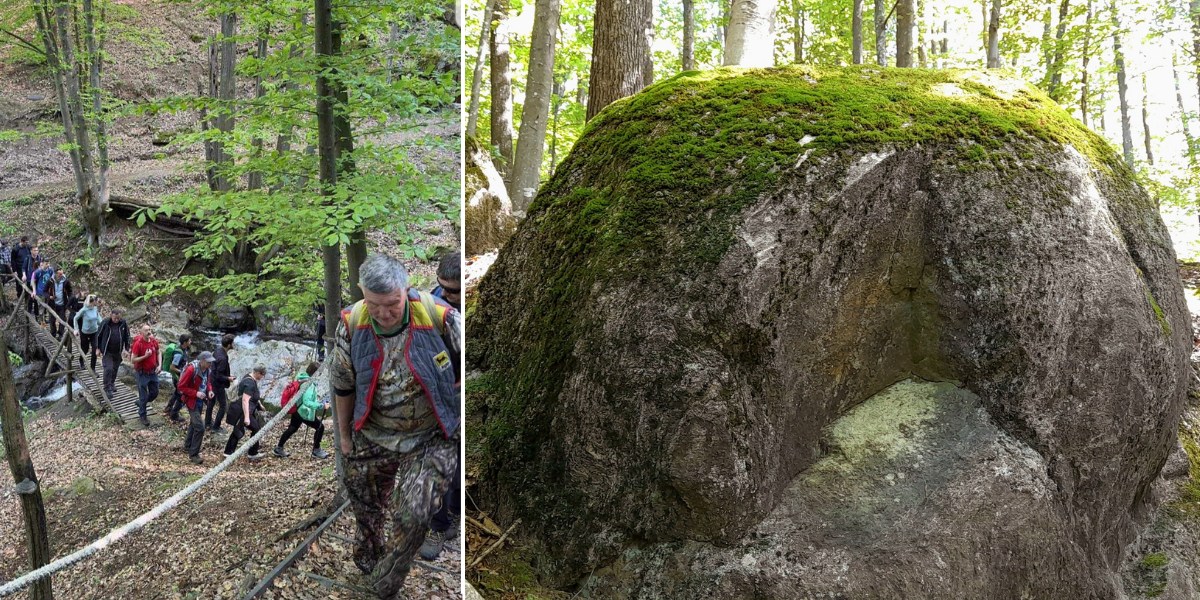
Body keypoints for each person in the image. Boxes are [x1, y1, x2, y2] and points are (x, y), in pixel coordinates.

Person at [331, 253, 461, 598]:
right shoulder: (351, 322)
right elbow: (343, 383)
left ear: (408, 290)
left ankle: (387, 584)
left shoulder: (441, 318)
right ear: (362, 293)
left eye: (392, 304)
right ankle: (368, 560)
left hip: (430, 435)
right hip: (372, 430)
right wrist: (344, 436)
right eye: (375, 305)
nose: (384, 314)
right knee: (367, 509)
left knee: (415, 514)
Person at [422, 251, 462, 561]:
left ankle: (453, 517)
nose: (447, 295)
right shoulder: (433, 305)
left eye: (454, 290)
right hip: (438, 392)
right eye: (443, 287)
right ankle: (439, 525)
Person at [273, 361, 330, 459]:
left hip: (296, 409)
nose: (320, 374)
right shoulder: (308, 384)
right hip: (303, 412)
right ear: (315, 372)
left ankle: (279, 448)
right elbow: (307, 402)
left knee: (292, 428)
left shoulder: (302, 379)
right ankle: (316, 450)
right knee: (320, 427)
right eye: (319, 372)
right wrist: (321, 406)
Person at [178, 351, 214, 465]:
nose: (210, 364)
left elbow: (207, 382)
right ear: (202, 360)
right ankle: (194, 454)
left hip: (200, 401)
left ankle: (188, 445)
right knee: (200, 427)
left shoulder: (207, 370)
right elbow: (181, 386)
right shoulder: (191, 370)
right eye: (208, 362)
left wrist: (210, 390)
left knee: (194, 424)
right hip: (191, 401)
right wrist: (195, 393)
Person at [224, 365, 267, 460]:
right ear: (257, 373)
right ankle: (251, 453)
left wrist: (259, 404)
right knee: (251, 429)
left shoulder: (249, 377)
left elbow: (254, 395)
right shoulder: (250, 383)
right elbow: (245, 400)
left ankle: (229, 452)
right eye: (262, 375)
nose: (263, 377)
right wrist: (247, 417)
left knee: (240, 430)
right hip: (242, 411)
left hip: (245, 410)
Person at [130, 323, 161, 428]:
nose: (149, 331)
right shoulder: (138, 344)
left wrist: (159, 365)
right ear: (141, 332)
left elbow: (158, 352)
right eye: (146, 330)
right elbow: (133, 360)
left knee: (155, 392)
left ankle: (141, 402)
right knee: (143, 396)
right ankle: (142, 414)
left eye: (150, 329)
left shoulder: (153, 340)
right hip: (142, 372)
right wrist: (145, 356)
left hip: (153, 372)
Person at [96, 309, 130, 400]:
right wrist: (98, 348)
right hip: (107, 351)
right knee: (108, 368)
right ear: (111, 315)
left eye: (118, 318)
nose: (117, 320)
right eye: (115, 318)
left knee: (115, 368)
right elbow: (98, 335)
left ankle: (112, 383)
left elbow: (127, 336)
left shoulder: (123, 323)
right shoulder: (105, 323)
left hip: (117, 351)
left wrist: (127, 349)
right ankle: (107, 388)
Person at [208, 334, 235, 433]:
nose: (233, 344)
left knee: (211, 402)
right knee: (223, 406)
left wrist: (227, 374)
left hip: (212, 380)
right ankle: (216, 427)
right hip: (218, 384)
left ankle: (207, 422)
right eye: (232, 343)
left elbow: (217, 370)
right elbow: (219, 375)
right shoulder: (223, 358)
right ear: (228, 345)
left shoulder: (218, 350)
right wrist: (228, 378)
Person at [164, 334, 192, 423]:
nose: (190, 342)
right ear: (185, 343)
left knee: (177, 392)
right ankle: (174, 415)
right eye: (189, 341)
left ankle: (169, 407)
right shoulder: (178, 353)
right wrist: (184, 372)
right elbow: (172, 367)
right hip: (178, 378)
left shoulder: (184, 349)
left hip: (180, 377)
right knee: (181, 396)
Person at [73, 295, 102, 372]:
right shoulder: (84, 310)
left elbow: (99, 320)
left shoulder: (95, 309)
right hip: (85, 333)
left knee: (95, 349)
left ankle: (93, 368)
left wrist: (103, 325)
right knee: (85, 349)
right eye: (96, 301)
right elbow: (75, 318)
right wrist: (76, 329)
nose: (97, 302)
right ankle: (81, 361)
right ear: (92, 302)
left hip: (94, 332)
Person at [48, 269, 72, 338]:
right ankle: (53, 333)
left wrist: (70, 298)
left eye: (62, 274)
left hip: (62, 304)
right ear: (55, 274)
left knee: (62, 320)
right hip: (53, 304)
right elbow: (45, 291)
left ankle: (60, 335)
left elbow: (70, 290)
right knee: (52, 320)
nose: (61, 275)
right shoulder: (50, 281)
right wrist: (49, 296)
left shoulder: (66, 281)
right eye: (59, 274)